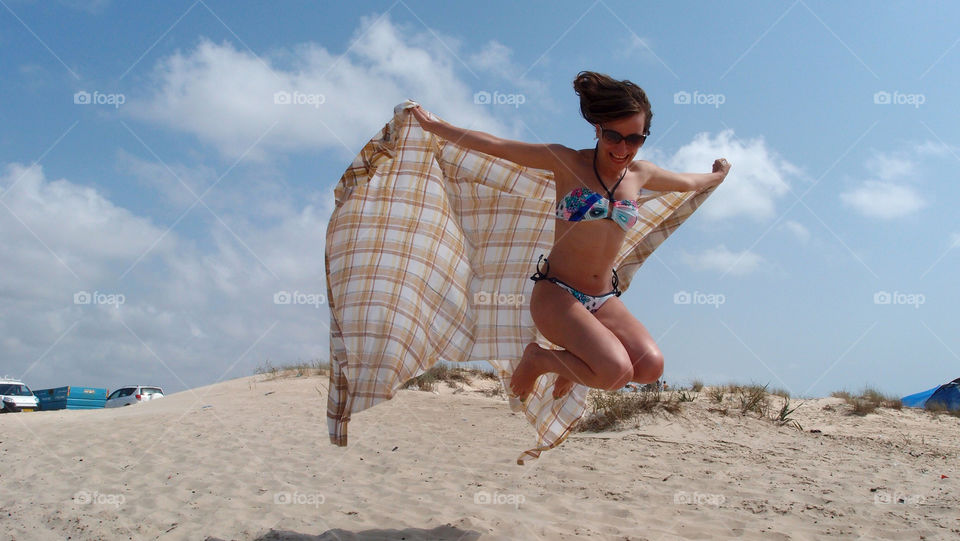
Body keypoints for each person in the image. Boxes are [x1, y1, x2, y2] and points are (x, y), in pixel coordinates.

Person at [410, 71, 730, 404]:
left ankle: (572, 362)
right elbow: (497, 146)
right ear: (597, 130)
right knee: (615, 373)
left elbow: (688, 183)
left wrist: (716, 175)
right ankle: (542, 358)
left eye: (634, 139)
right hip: (557, 296)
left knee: (650, 367)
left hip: (603, 299)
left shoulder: (641, 174)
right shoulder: (567, 162)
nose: (623, 148)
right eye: (613, 136)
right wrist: (435, 126)